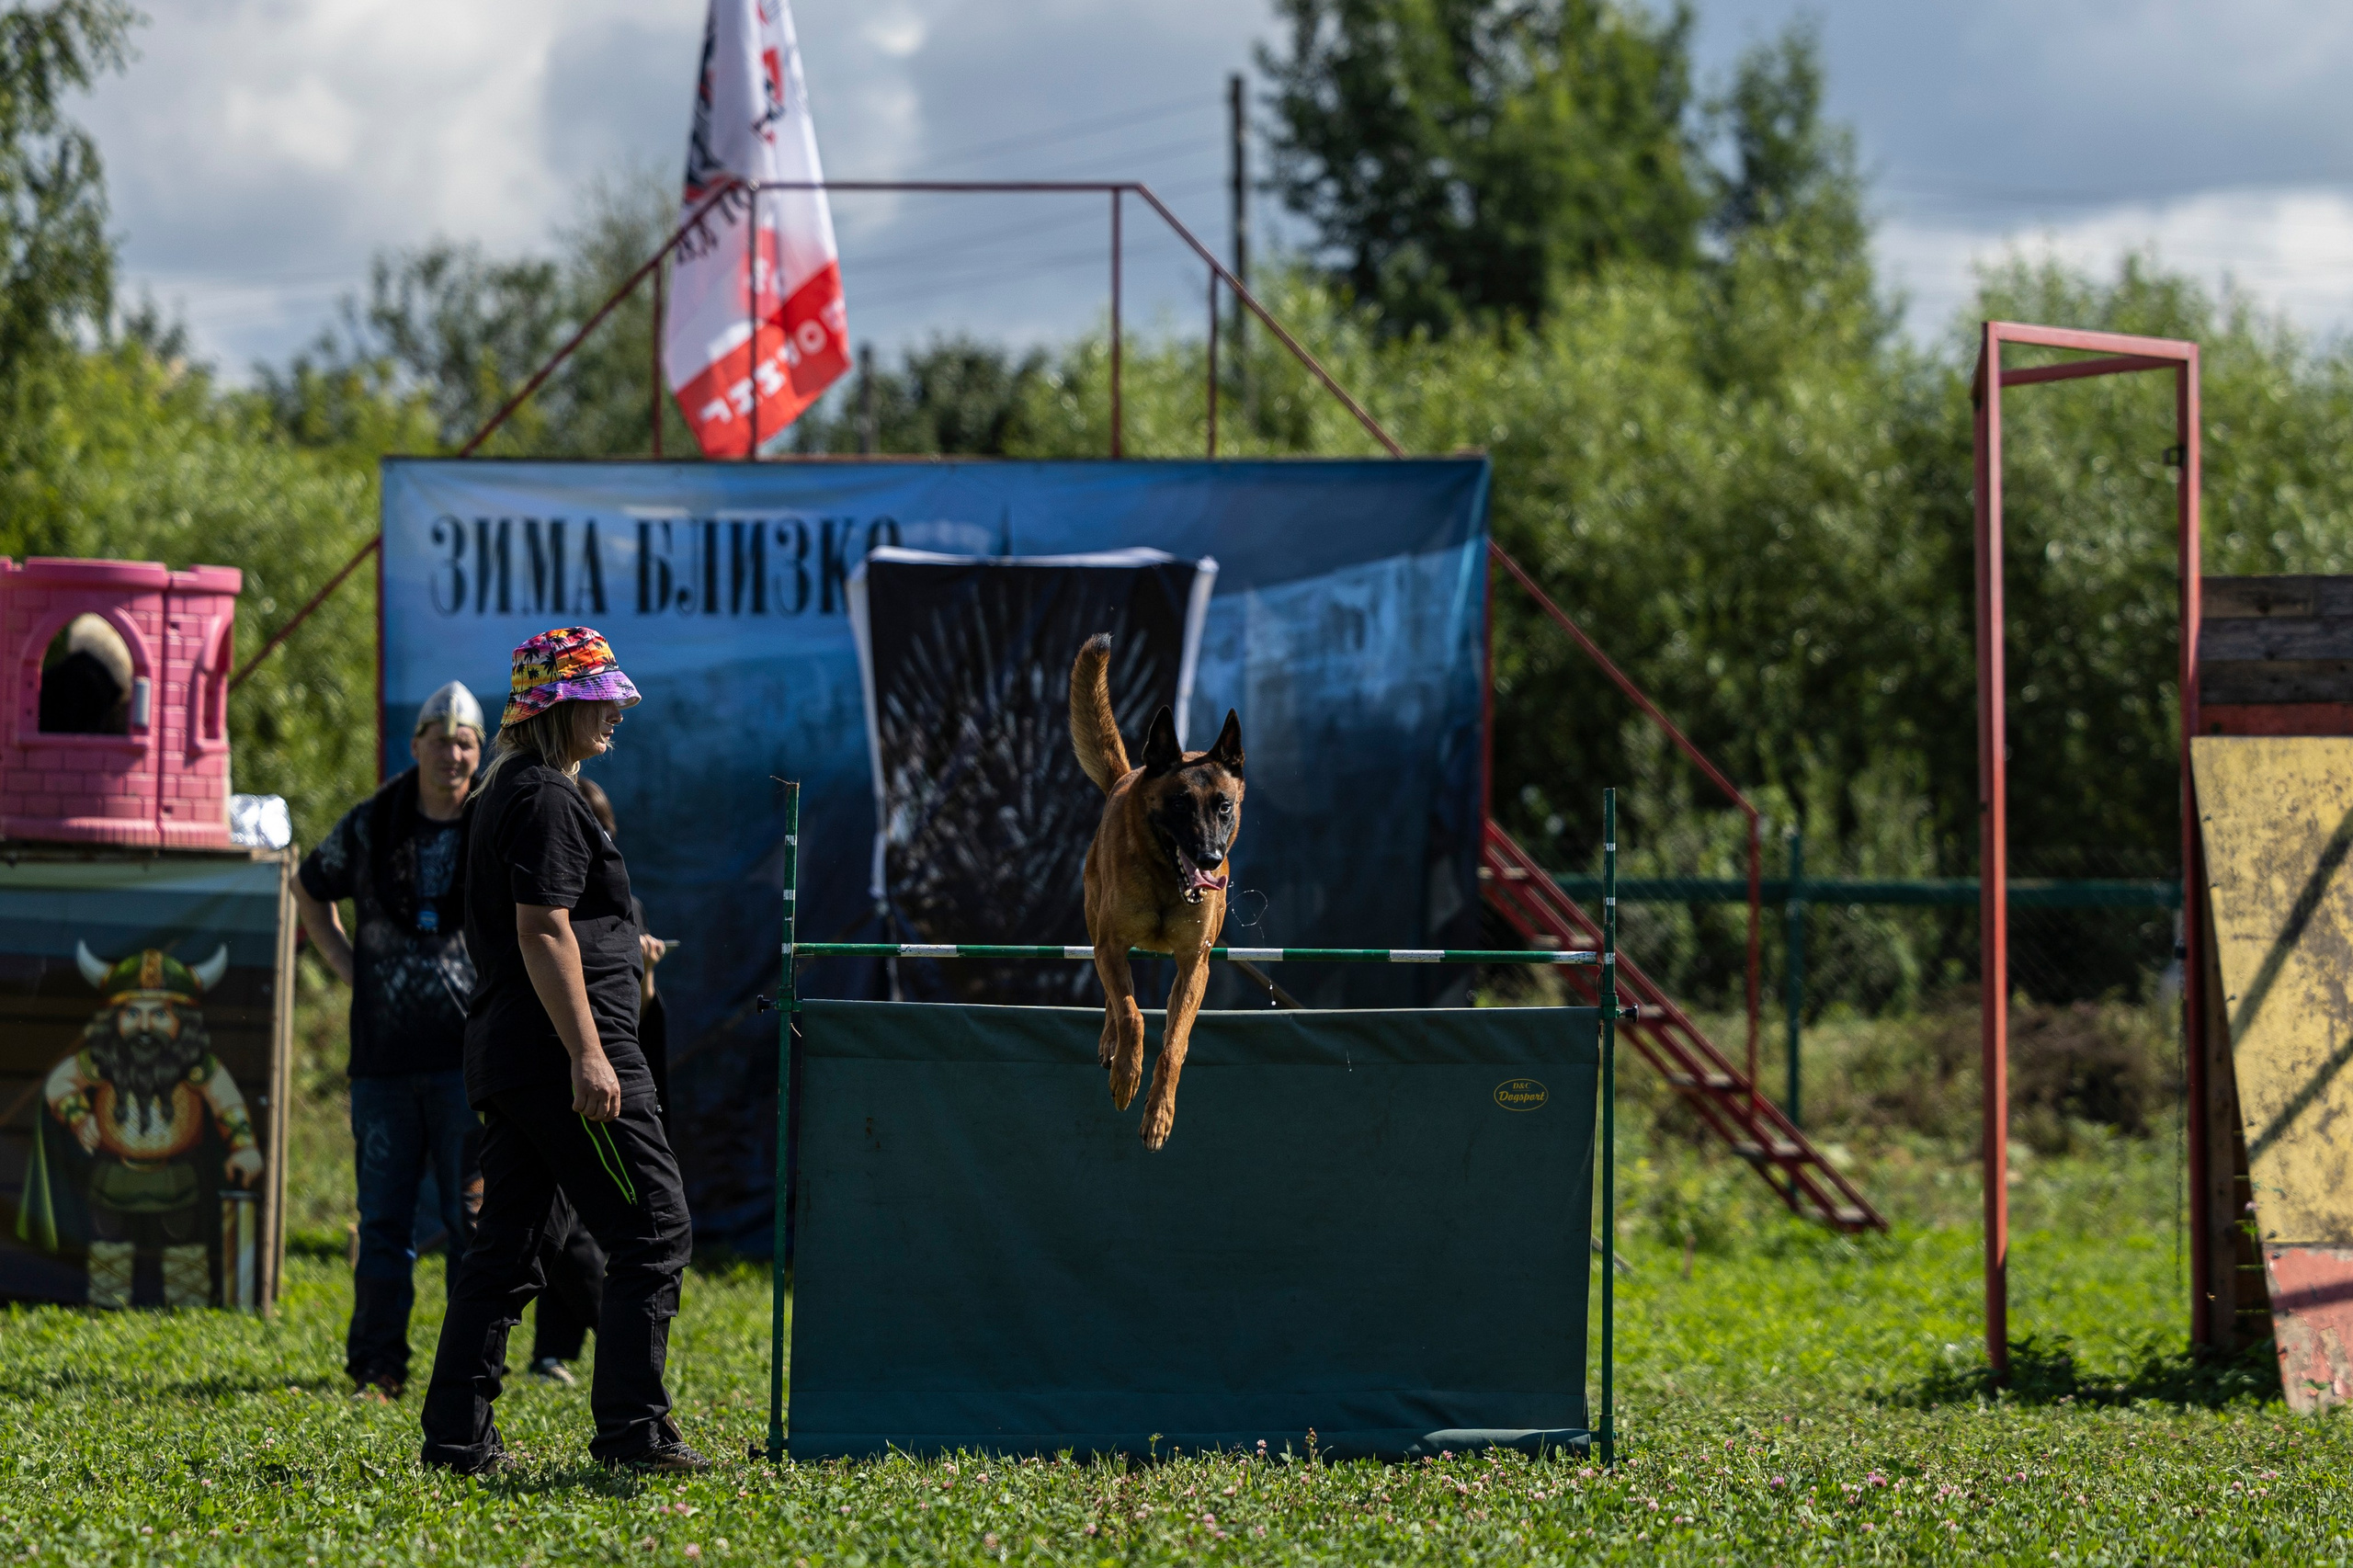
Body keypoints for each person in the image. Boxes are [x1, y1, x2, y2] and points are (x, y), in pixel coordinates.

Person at [419, 627, 703, 1474]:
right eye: (601, 697)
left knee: (507, 1249)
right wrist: (589, 1052)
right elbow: (543, 930)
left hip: (517, 1056)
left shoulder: (514, 795)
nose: (618, 709)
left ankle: (458, 1437)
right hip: (560, 1055)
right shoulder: (542, 797)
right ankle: (632, 1432)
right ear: (558, 707)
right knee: (653, 1229)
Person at [294, 681, 484, 1398]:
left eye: (466, 741)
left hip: (468, 1065)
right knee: (383, 1221)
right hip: (382, 1065)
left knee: (471, 1224)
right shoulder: (374, 822)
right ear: (416, 746)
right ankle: (378, 1365)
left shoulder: (493, 823)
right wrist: (347, 965)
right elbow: (309, 885)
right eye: (441, 739)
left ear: (479, 750)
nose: (453, 754)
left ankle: (472, 1368)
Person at [525, 778, 670, 1389]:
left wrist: (644, 974)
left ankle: (573, 1353)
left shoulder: (620, 905)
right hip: (556, 1075)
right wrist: (586, 1053)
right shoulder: (542, 901)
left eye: (603, 829)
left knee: (574, 1226)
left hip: (607, 1073)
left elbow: (633, 1016)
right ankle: (598, 1351)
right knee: (558, 1229)